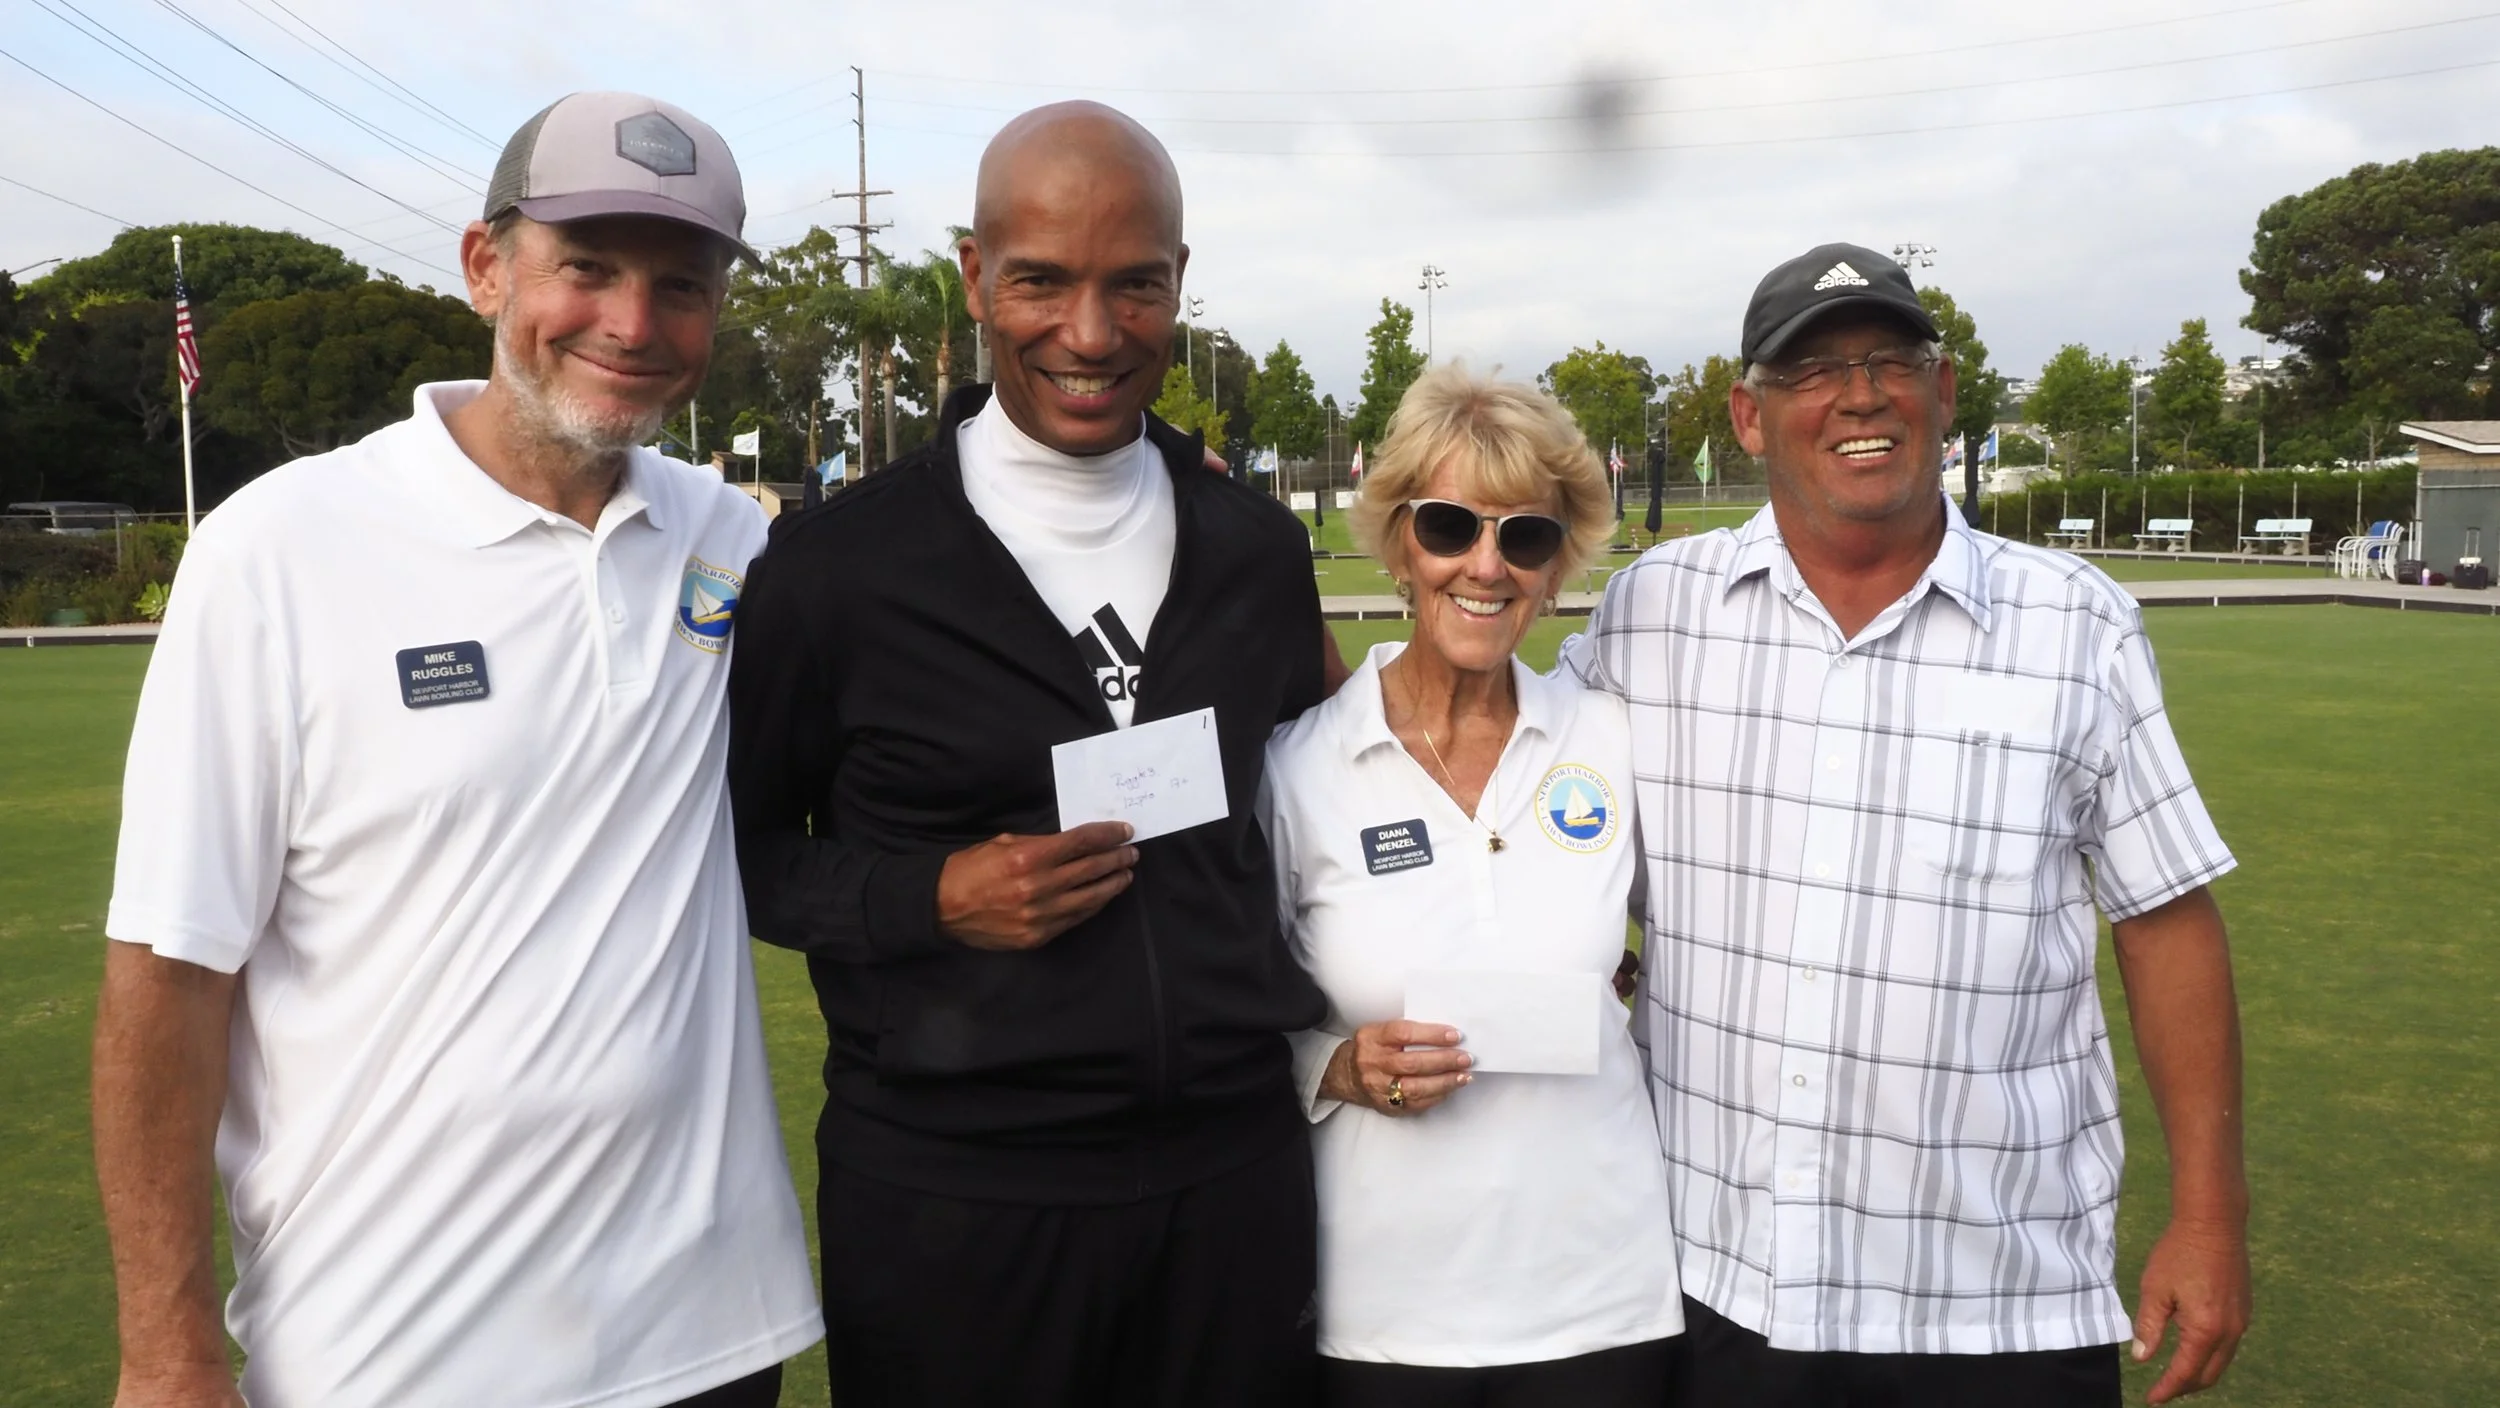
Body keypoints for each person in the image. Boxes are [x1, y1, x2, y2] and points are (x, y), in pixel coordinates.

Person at [94, 92, 820, 1407]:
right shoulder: (281, 548)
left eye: (682, 286)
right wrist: (166, 1345)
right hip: (389, 1359)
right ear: (487, 265)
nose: (632, 325)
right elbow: (168, 975)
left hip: (711, 1340)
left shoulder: (733, 542)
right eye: (587, 270)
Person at [1560, 242, 2250, 1407]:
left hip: (1993, 1304)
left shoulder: (2075, 624)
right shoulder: (1652, 614)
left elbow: (2166, 921)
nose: (1860, 395)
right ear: (1748, 413)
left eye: (1891, 359)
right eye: (1811, 371)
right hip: (1708, 1286)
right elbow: (1504, 775)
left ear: (1943, 391)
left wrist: (2210, 1218)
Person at [727, 102, 1328, 1407]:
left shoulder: (1258, 555)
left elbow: (1315, 824)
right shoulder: (837, 574)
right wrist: (926, 895)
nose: (1093, 335)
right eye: (1044, 282)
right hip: (957, 1210)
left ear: (1179, 280)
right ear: (976, 278)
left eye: (1137, 286)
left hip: (1234, 1192)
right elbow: (745, 858)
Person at [1260, 364, 1686, 1407]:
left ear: (1555, 566)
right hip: (1381, 1315)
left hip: (1605, 1304)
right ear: (1400, 540)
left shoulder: (1615, 737)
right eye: (1451, 526)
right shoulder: (1298, 765)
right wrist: (1335, 1066)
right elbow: (1232, 1022)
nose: (1485, 566)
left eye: (1524, 536)